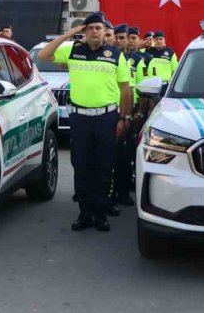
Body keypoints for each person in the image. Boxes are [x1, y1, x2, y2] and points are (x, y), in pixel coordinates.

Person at [38, 12, 132, 232]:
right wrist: (71, 33)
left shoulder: (115, 54)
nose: (95, 32)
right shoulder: (73, 51)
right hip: (80, 119)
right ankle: (85, 213)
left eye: (99, 28)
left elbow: (125, 88)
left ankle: (100, 214)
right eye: (90, 28)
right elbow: (43, 54)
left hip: (107, 119)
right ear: (85, 31)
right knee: (81, 166)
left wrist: (123, 118)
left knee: (103, 167)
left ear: (103, 31)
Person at [111, 24, 135, 208]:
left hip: (132, 114)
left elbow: (137, 88)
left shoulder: (138, 60)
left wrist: (129, 116)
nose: (119, 41)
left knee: (127, 157)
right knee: (111, 157)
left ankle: (124, 191)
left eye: (122, 37)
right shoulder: (108, 58)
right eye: (116, 37)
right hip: (112, 113)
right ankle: (110, 194)